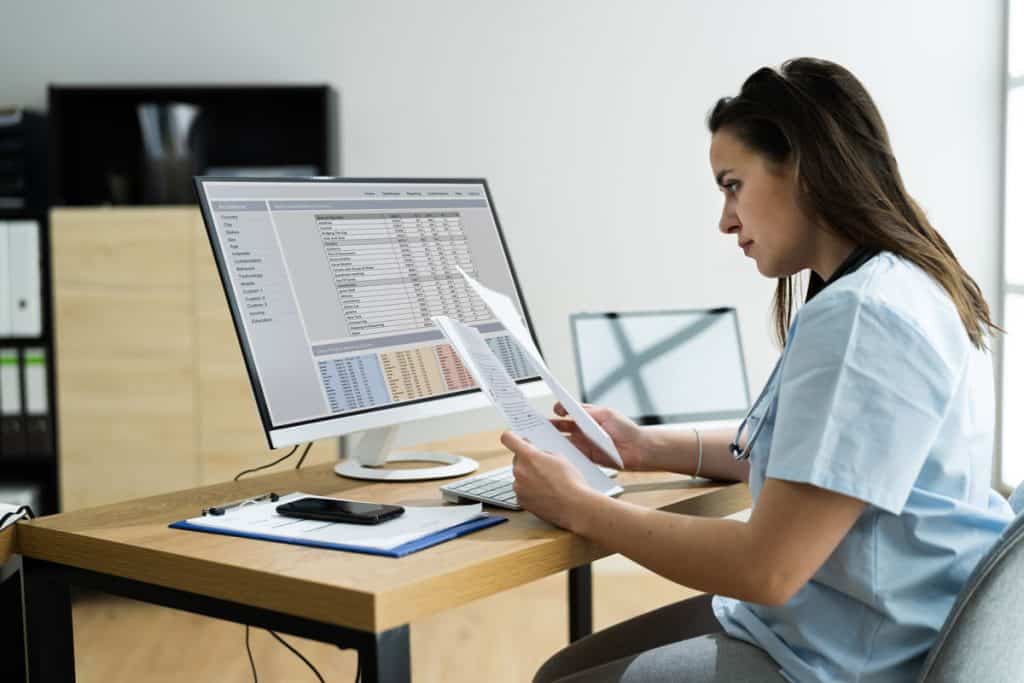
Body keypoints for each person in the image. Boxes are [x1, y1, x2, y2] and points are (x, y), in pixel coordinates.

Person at [503, 57, 1015, 683]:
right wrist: (642, 446)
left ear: (798, 166)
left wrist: (579, 506)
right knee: (565, 667)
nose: (725, 219)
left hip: (852, 656)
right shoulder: (902, 284)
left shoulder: (863, 317)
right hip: (877, 620)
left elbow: (767, 569)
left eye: (732, 184)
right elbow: (818, 462)